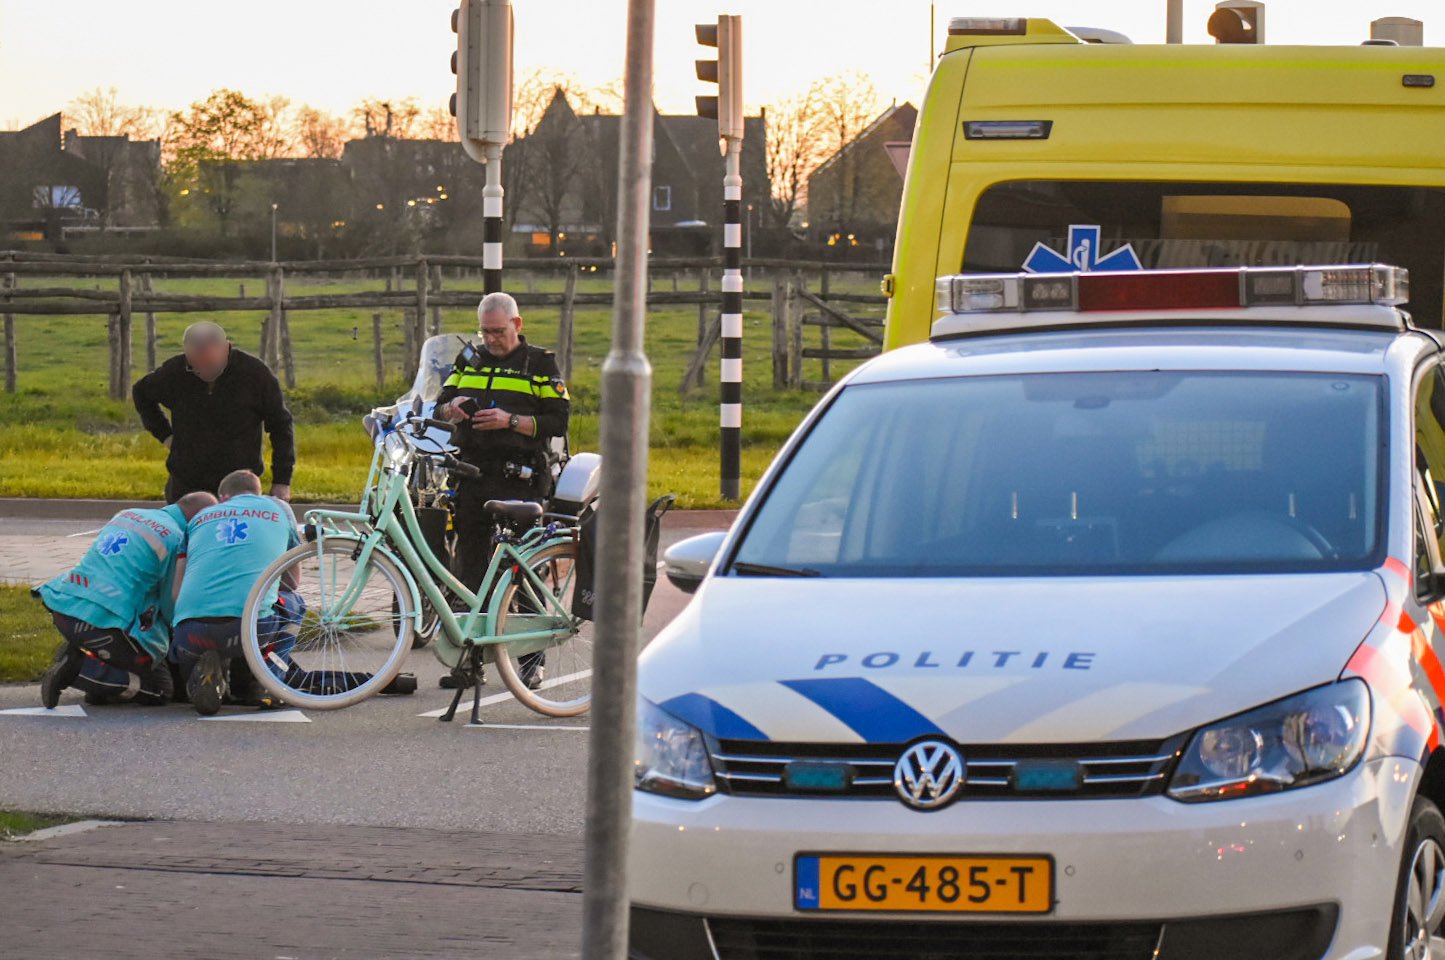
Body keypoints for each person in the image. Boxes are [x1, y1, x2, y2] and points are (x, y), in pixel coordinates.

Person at [435, 292, 570, 688]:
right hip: (472, 474)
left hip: (520, 478)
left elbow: (558, 420)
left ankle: (531, 660)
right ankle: (469, 659)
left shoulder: (540, 364)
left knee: (521, 570)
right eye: (485, 331)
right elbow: (441, 402)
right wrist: (451, 409)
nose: (491, 339)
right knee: (469, 569)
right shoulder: (469, 359)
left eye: (498, 331)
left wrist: (510, 421)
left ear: (517, 324)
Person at [34, 492, 217, 708]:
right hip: (106, 621)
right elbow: (171, 604)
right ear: (196, 519)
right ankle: (79, 671)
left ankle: (96, 681)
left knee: (135, 663)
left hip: (65, 604)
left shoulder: (126, 514)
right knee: (160, 689)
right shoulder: (176, 539)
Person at [171, 470, 303, 716]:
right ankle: (271, 683)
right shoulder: (279, 509)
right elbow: (293, 581)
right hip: (247, 631)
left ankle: (204, 672)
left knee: (201, 614)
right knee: (294, 602)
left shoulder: (199, 518)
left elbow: (177, 592)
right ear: (258, 492)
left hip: (189, 632)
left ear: (223, 497)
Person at [132, 320, 296, 504]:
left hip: (238, 485)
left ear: (226, 348)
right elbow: (141, 393)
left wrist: (282, 480)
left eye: (210, 365)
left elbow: (281, 426)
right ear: (187, 354)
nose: (204, 371)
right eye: (196, 367)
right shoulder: (175, 372)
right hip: (187, 484)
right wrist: (166, 435)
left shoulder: (254, 375)